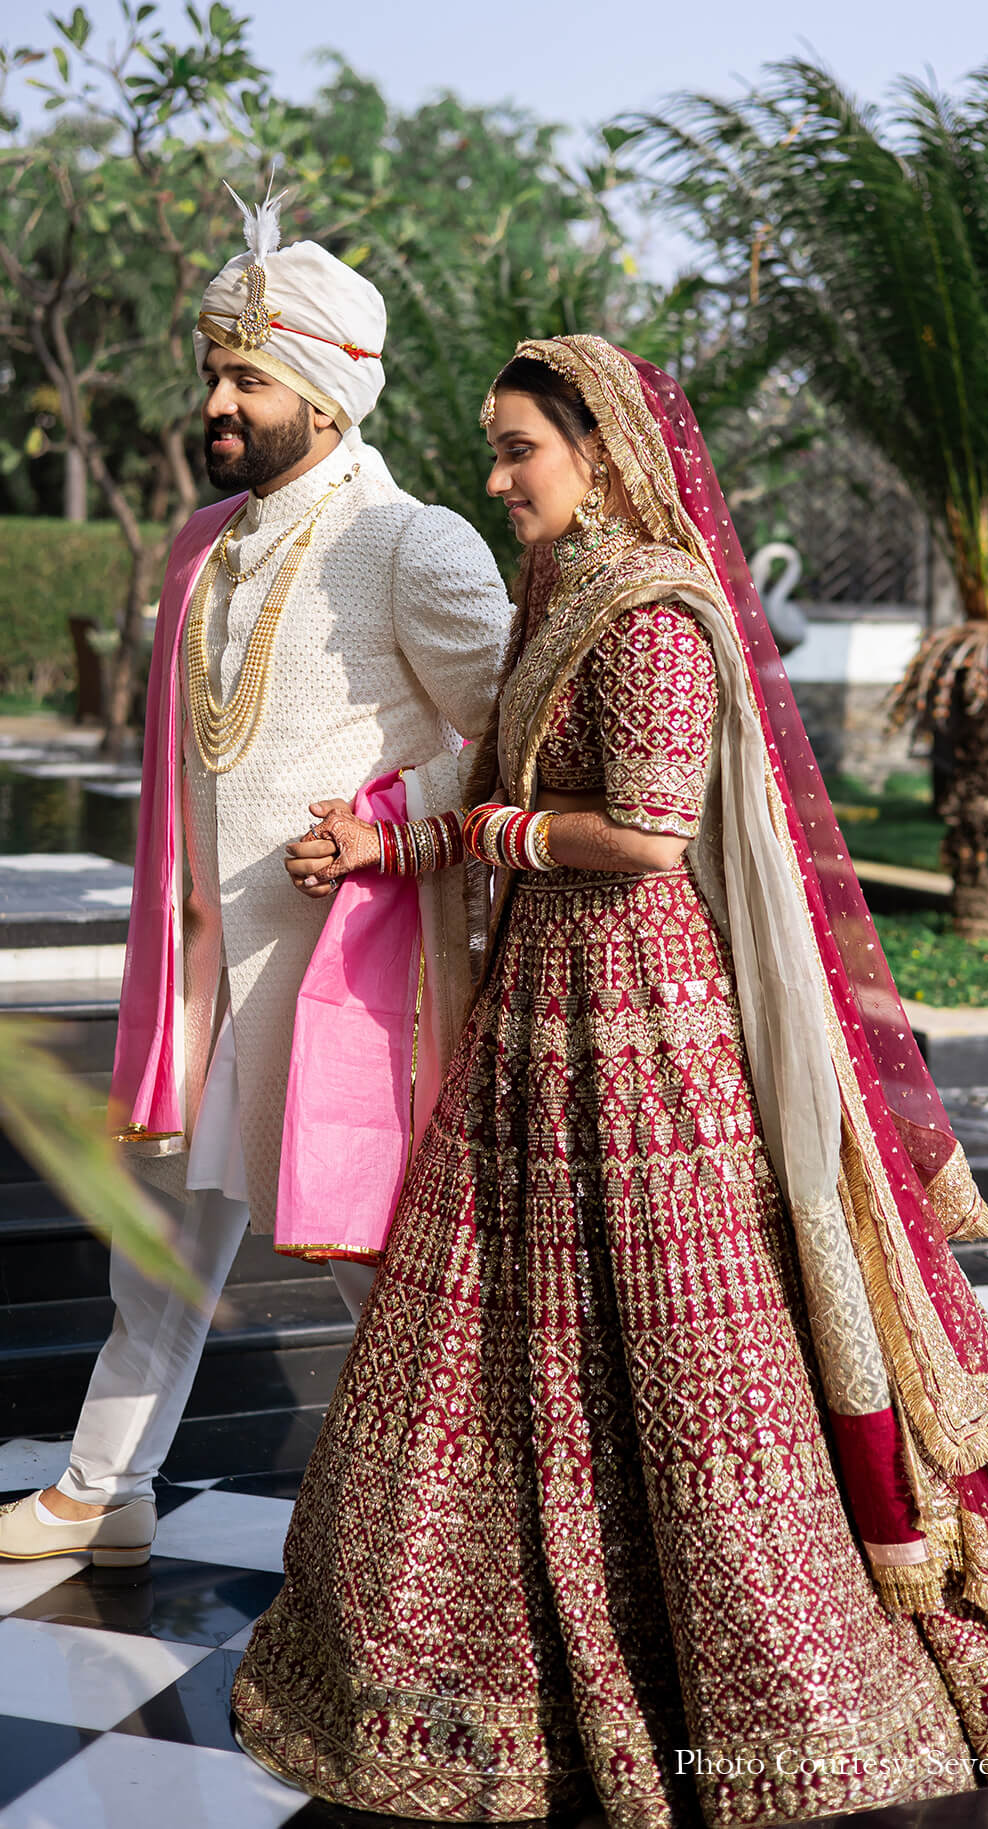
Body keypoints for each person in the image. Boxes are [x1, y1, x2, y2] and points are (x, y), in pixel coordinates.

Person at [230, 335, 988, 1826]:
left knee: (685, 1344)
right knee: (504, 1324)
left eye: (517, 449)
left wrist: (491, 844)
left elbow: (653, 832)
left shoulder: (657, 610)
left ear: (597, 451)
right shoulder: (551, 593)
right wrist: (398, 846)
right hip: (542, 1009)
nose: (496, 476)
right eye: (491, 446)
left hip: (650, 1019)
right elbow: (498, 791)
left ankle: (770, 1688)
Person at [0, 188, 512, 1569]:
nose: (216, 398)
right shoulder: (205, 545)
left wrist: (393, 822)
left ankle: (457, 1537)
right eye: (214, 372)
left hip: (345, 966)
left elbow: (527, 733)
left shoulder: (412, 544)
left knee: (369, 1258)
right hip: (206, 959)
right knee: (158, 1240)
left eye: (245, 376)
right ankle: (107, 1486)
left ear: (331, 396)